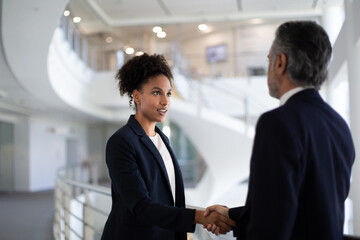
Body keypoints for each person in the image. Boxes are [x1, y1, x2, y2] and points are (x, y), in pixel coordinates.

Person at [204, 21, 355, 239]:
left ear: (280, 62)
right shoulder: (339, 126)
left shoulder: (277, 123)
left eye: (269, 59)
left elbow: (270, 225)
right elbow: (305, 208)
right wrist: (231, 215)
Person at [100, 53, 235, 240]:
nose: (165, 101)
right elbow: (141, 206)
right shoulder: (121, 142)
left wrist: (204, 216)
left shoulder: (162, 139)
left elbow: (167, 200)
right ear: (137, 96)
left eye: (168, 93)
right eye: (157, 92)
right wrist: (199, 218)